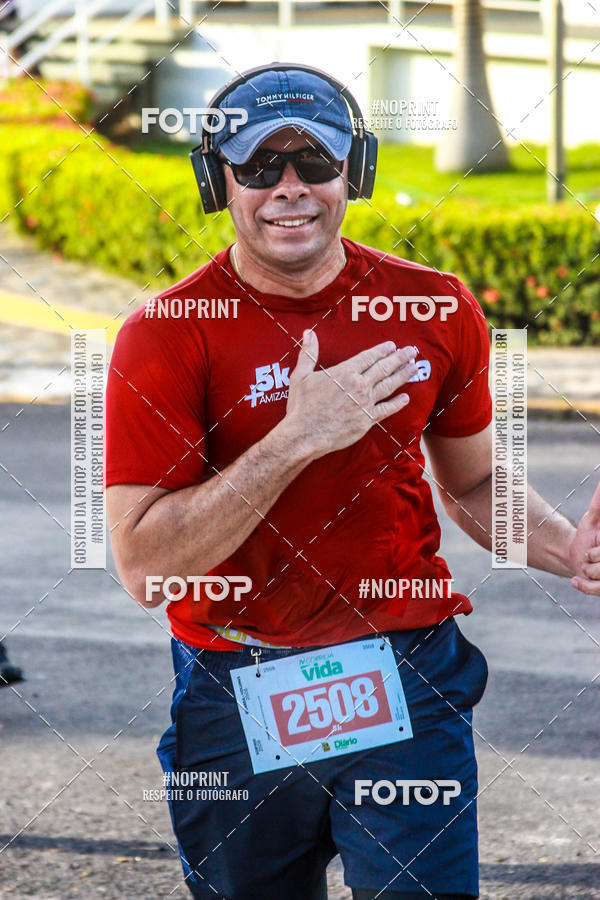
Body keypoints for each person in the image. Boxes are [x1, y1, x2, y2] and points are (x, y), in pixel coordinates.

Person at [105, 63, 600, 900]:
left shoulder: (434, 308)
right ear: (216, 180)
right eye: (261, 167)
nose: (290, 189)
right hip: (234, 687)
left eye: (316, 164)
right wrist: (296, 439)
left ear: (355, 173)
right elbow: (147, 566)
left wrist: (569, 550)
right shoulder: (164, 336)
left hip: (404, 672)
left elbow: (475, 485)